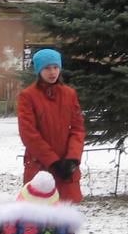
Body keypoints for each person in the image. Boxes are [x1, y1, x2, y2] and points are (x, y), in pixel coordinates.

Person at [18, 48, 86, 202]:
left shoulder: (69, 94)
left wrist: (73, 158)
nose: (52, 72)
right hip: (40, 166)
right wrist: (53, 162)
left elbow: (78, 129)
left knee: (66, 212)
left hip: (67, 167)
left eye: (56, 67)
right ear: (39, 70)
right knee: (40, 212)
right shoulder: (28, 96)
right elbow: (29, 134)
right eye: (47, 68)